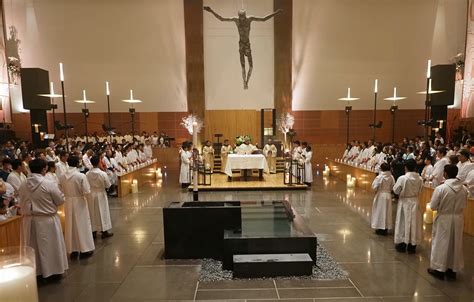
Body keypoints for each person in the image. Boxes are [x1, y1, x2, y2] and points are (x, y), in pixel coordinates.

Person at [203, 6, 282, 89]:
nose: (241, 19)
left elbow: (264, 19)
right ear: (238, 16)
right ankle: (244, 82)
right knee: (243, 67)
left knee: (251, 67)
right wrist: (211, 11)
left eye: (243, 17)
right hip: (241, 44)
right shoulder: (236, 20)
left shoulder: (249, 19)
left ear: (245, 16)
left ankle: (247, 82)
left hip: (247, 44)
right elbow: (222, 19)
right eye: (240, 18)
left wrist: (276, 13)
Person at [19, 158, 68, 280]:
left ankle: (37, 273)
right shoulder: (48, 183)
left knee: (33, 247)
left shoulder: (23, 184)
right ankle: (53, 271)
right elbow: (60, 200)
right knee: (50, 247)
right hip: (46, 220)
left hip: (29, 220)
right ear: (44, 169)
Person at [427, 164, 467, 280]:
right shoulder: (463, 189)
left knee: (441, 243)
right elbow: (464, 204)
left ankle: (439, 269)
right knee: (455, 243)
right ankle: (452, 269)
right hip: (458, 218)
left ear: (445, 174)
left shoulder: (441, 188)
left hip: (444, 218)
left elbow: (433, 206)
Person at [59, 156, 95, 259]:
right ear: (78, 163)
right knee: (82, 225)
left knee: (70, 226)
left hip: (68, 201)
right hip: (79, 201)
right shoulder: (80, 176)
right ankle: (84, 250)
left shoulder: (62, 176)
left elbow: (60, 189)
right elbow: (87, 191)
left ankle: (73, 250)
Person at [393, 159, 423, 253]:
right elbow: (421, 190)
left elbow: (396, 190)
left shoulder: (403, 178)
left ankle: (402, 243)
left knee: (403, 223)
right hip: (415, 201)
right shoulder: (420, 178)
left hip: (405, 202)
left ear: (405, 167)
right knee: (414, 223)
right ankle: (412, 244)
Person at [86, 156, 114, 239]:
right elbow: (108, 185)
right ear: (99, 162)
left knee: (92, 212)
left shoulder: (87, 174)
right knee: (102, 212)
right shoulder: (102, 173)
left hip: (91, 194)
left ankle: (93, 231)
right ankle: (104, 231)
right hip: (101, 193)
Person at [371, 163, 395, 235]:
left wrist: (377, 189)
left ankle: (379, 227)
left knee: (380, 212)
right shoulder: (391, 177)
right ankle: (386, 228)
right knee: (387, 212)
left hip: (381, 195)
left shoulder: (380, 177)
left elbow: (374, 187)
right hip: (388, 195)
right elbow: (393, 186)